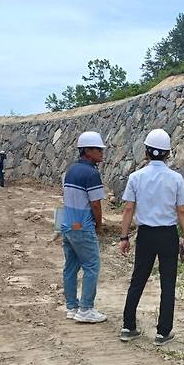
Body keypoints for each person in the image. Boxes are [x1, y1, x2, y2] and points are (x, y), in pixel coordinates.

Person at [118, 128, 184, 346]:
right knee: (168, 283)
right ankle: (163, 332)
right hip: (168, 234)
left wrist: (124, 237)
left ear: (146, 151)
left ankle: (128, 326)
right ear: (168, 153)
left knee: (138, 280)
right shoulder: (176, 178)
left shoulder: (136, 177)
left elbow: (129, 209)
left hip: (145, 234)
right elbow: (182, 211)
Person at [61, 131, 108, 323]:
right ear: (88, 151)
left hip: (67, 224)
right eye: (98, 149)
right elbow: (95, 205)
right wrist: (99, 225)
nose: (102, 153)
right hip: (82, 225)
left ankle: (72, 306)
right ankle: (86, 309)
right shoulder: (91, 173)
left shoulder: (70, 170)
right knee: (92, 266)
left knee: (70, 267)